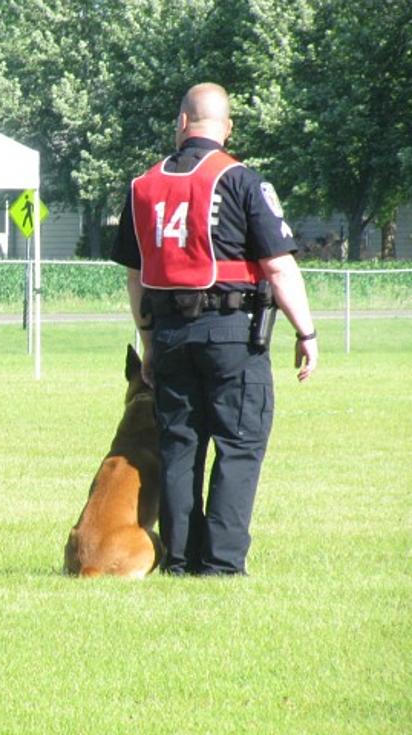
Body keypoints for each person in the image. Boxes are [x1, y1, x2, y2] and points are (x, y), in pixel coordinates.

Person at [111, 82, 318, 576]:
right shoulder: (242, 180)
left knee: (179, 447)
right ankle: (222, 565)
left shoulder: (143, 188)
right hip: (232, 333)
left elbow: (136, 278)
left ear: (182, 123)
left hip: (168, 334)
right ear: (226, 129)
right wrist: (305, 332)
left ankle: (180, 561)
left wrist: (149, 344)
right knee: (239, 444)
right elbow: (279, 267)